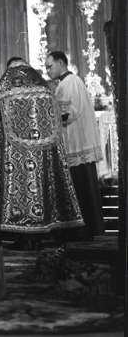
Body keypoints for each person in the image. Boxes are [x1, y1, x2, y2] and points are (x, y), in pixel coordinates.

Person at [0, 57, 84, 245]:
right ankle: (49, 229)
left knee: (19, 188)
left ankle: (23, 235)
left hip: (14, 154)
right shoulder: (43, 87)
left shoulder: (5, 87)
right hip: (44, 152)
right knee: (45, 183)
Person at [45, 51, 104, 238]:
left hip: (76, 145)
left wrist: (48, 115)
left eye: (50, 66)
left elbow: (68, 114)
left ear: (61, 63)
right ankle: (89, 228)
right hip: (79, 144)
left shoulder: (68, 83)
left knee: (80, 189)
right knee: (85, 188)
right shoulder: (71, 81)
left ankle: (82, 230)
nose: (48, 71)